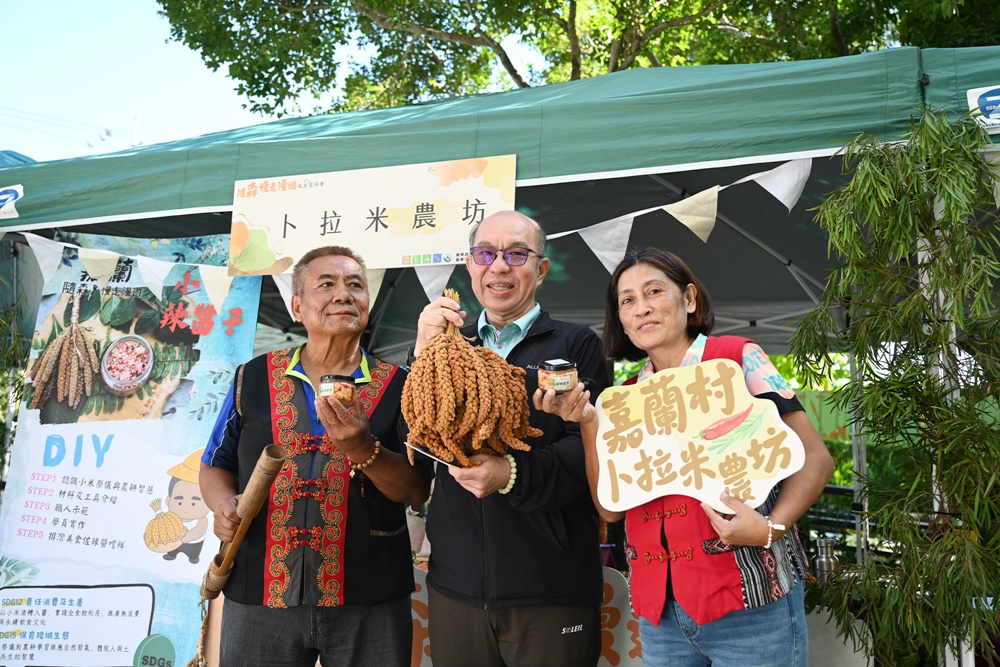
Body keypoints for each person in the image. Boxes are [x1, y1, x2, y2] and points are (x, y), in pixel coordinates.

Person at [535, 247, 835, 667]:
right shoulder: (624, 398)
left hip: (750, 608)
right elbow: (610, 508)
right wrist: (588, 420)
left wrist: (771, 529)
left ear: (689, 299)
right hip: (660, 616)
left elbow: (816, 459)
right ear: (620, 319)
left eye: (654, 291)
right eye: (627, 300)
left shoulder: (737, 358)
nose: (641, 308)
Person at [200, 246, 432, 667]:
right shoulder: (252, 377)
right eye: (326, 284)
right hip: (258, 592)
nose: (344, 294)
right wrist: (222, 504)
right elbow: (216, 462)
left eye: (355, 285)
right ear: (297, 307)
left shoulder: (402, 387)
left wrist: (364, 450)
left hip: (370, 594)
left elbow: (417, 488)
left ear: (366, 304)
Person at [410, 210, 612, 667]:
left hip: (551, 587)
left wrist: (510, 473)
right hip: (456, 586)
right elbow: (414, 441)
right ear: (470, 265)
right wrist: (422, 354)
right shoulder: (444, 344)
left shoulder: (577, 345)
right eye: (485, 254)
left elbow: (590, 449)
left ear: (541, 269)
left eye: (517, 254)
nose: (499, 266)